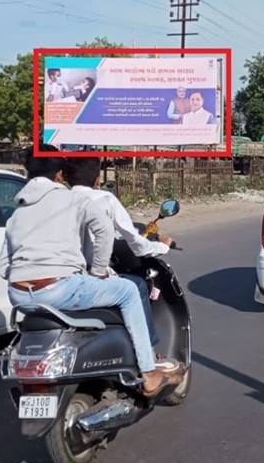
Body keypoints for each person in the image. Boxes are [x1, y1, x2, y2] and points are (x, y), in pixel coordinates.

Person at [0, 145, 180, 396]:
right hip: (59, 289)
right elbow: (105, 231)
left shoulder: (18, 213)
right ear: (60, 175)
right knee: (128, 290)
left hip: (19, 296)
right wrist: (97, 272)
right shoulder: (75, 199)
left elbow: (3, 266)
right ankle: (149, 373)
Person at [63, 157, 180, 371]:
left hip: (58, 281)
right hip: (87, 279)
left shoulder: (58, 200)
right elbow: (136, 244)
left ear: (64, 178)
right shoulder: (104, 199)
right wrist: (163, 247)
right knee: (137, 286)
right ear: (98, 180)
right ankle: (149, 357)